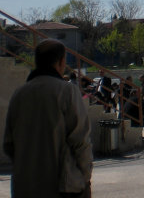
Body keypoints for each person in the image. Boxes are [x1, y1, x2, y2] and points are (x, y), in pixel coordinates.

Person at [3, 39, 93, 198]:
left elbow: (9, 144)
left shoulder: (19, 94)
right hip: (61, 186)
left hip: (25, 186)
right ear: (61, 62)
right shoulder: (67, 92)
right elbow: (81, 141)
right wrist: (83, 178)